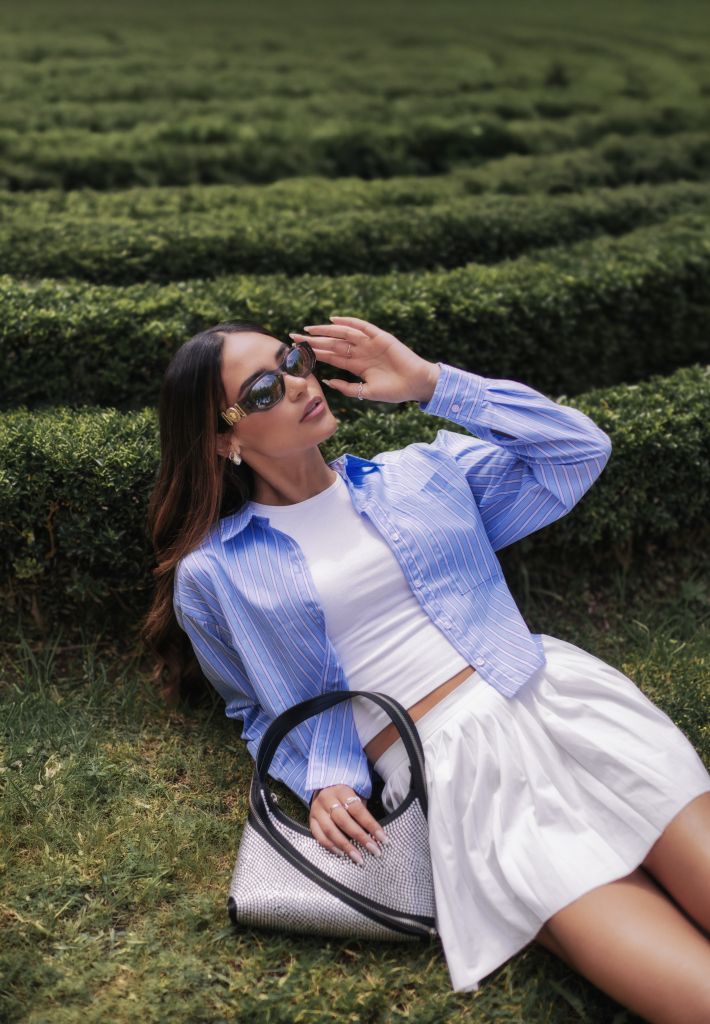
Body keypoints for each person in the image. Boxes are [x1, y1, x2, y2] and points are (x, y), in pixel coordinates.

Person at [143, 315, 710, 1024]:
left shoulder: (423, 473)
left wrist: (431, 383)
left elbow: (577, 451)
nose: (298, 385)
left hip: (557, 703)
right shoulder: (214, 573)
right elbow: (254, 706)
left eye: (292, 361)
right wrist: (321, 778)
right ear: (223, 440)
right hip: (452, 775)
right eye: (262, 391)